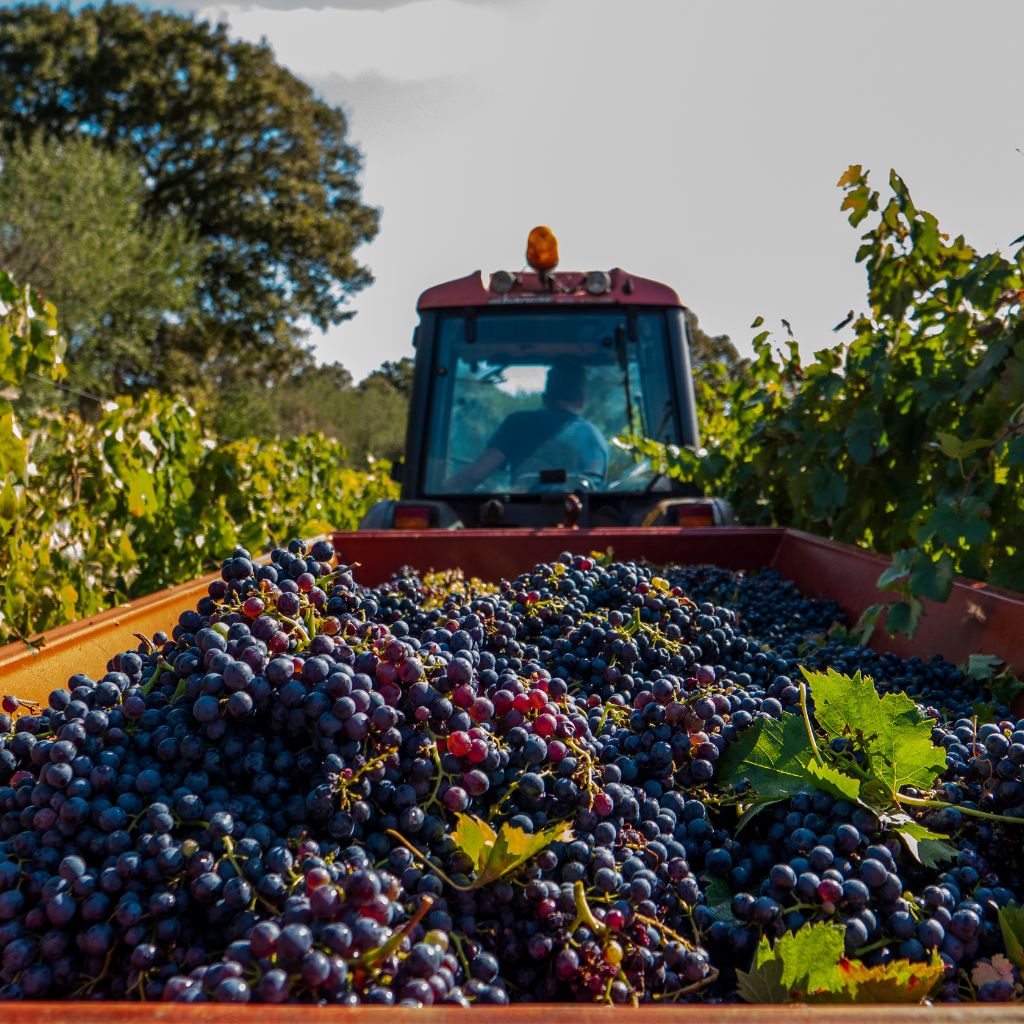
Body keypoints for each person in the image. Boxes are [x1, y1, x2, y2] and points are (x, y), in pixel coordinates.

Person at [449, 362, 609, 491]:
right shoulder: (596, 439)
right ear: (581, 400)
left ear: (545, 398)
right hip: (582, 523)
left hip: (524, 521)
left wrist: (440, 488)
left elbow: (475, 475)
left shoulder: (518, 424)